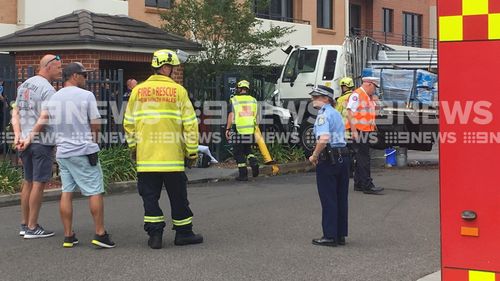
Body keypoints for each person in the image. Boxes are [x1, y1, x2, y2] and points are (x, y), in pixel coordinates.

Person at [124, 49, 203, 249]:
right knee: (178, 197)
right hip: (172, 158)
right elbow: (190, 124)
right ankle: (184, 234)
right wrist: (192, 151)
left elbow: (129, 123)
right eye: (172, 67)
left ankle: (155, 236)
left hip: (147, 157)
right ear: (166, 67)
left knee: (150, 197)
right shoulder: (179, 91)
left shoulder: (138, 91)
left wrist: (134, 148)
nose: (173, 70)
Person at [45, 62, 115, 248]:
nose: (86, 77)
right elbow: (96, 124)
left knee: (66, 191)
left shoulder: (53, 98)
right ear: (74, 76)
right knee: (94, 190)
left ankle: (69, 236)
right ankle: (100, 234)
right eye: (84, 74)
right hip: (83, 151)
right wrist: (93, 142)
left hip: (63, 152)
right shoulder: (86, 96)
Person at [11, 54, 61, 238]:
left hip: (24, 141)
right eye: (58, 67)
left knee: (28, 182)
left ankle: (25, 224)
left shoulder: (24, 85)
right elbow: (45, 117)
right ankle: (32, 227)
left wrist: (19, 136)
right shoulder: (47, 90)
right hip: (41, 142)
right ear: (48, 66)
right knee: (39, 184)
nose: (60, 71)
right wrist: (31, 137)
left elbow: (15, 112)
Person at [308, 85, 350, 247]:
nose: (313, 100)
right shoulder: (336, 114)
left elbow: (324, 139)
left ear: (326, 99)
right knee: (341, 197)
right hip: (343, 156)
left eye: (316, 97)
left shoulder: (323, 115)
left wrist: (315, 155)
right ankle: (340, 234)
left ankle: (330, 235)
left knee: (328, 198)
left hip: (329, 159)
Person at [346, 76, 384, 195]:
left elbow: (372, 112)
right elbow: (349, 113)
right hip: (359, 131)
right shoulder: (357, 95)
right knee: (364, 159)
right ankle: (367, 185)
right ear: (368, 84)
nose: (374, 90)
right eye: (374, 87)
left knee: (361, 158)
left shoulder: (367, 96)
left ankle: (359, 183)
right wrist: (354, 131)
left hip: (365, 130)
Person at [225, 80, 259, 181]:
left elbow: (231, 115)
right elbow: (256, 116)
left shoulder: (234, 100)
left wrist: (227, 129)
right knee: (248, 150)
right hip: (250, 129)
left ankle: (243, 175)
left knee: (238, 152)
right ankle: (254, 162)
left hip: (238, 129)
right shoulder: (253, 100)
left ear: (239, 89)